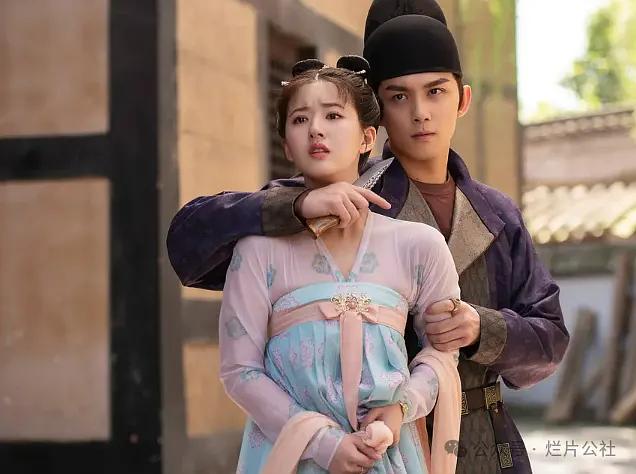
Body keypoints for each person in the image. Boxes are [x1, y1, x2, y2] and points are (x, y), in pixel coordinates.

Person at [168, 2, 569, 473]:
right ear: (374, 115)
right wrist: (294, 206)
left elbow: (551, 338)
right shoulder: (330, 198)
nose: (420, 113)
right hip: (367, 444)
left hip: (483, 442)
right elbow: (190, 241)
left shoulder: (498, 214)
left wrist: (482, 328)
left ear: (462, 99)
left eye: (435, 92)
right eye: (398, 96)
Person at [219, 57, 462, 474]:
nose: (316, 129)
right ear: (286, 145)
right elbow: (239, 370)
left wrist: (401, 408)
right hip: (292, 457)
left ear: (367, 137)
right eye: (300, 119)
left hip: (387, 452)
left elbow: (442, 353)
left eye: (333, 115)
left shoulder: (418, 245)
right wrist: (323, 444)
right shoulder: (258, 251)